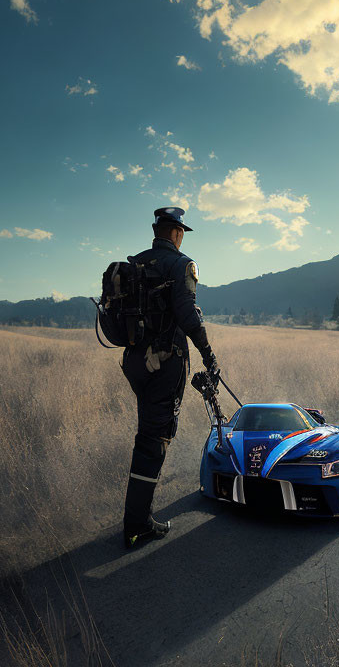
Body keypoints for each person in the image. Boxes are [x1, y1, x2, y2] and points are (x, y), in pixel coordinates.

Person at [121, 206, 219, 549]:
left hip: (135, 363)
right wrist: (209, 355)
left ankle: (138, 518)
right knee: (153, 442)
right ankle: (137, 525)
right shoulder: (181, 264)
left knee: (147, 436)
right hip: (164, 363)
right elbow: (189, 315)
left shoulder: (135, 263)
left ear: (155, 230)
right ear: (177, 233)